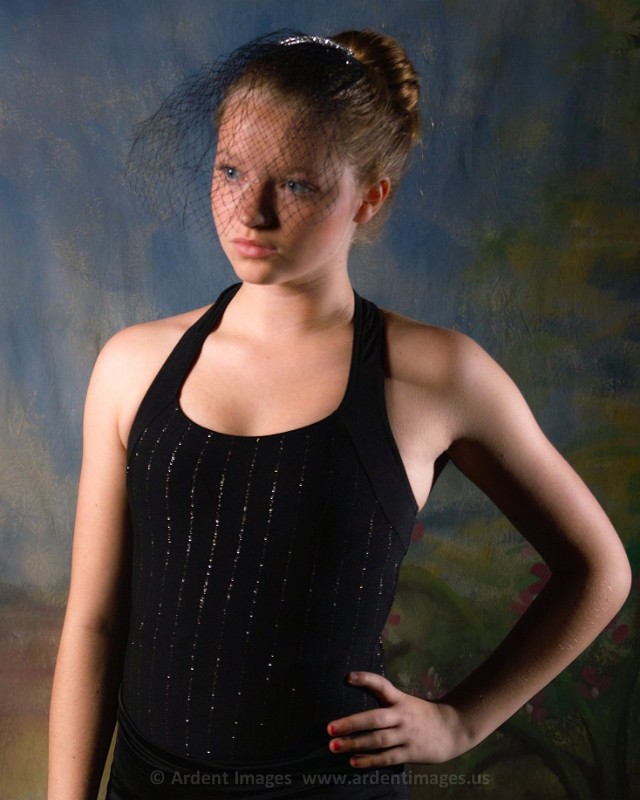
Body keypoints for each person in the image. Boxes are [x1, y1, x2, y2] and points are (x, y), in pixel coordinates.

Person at [48, 29, 631, 800]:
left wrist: (460, 723)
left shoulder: (437, 375)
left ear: (369, 196)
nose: (251, 211)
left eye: (296, 185)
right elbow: (94, 624)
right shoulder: (133, 366)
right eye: (230, 171)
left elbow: (599, 569)